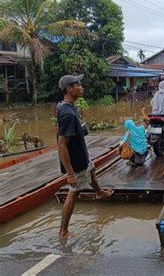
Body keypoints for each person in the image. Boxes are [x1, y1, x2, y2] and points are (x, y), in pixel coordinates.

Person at [56, 74, 113, 239]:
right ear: (69, 88)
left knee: (92, 169)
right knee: (73, 192)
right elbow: (61, 145)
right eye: (78, 84)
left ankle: (99, 192)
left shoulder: (67, 106)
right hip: (75, 161)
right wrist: (70, 173)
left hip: (82, 154)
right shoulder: (67, 113)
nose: (82, 87)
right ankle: (63, 232)